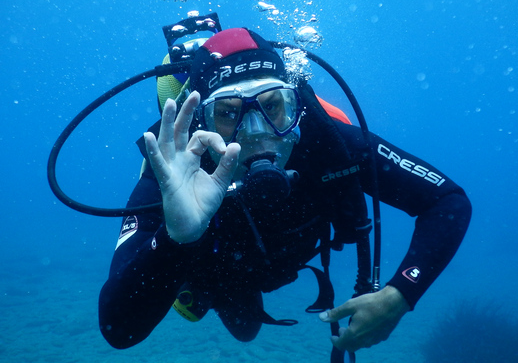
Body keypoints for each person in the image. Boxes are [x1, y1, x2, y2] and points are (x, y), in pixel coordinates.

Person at [98, 26, 471, 354]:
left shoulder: (329, 144)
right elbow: (117, 329)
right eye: (227, 113)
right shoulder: (173, 177)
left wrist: (400, 294)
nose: (257, 132)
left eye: (272, 105)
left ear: (295, 105)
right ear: (201, 122)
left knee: (246, 328)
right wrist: (174, 240)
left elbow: (447, 200)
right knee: (245, 327)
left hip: (277, 262)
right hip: (224, 274)